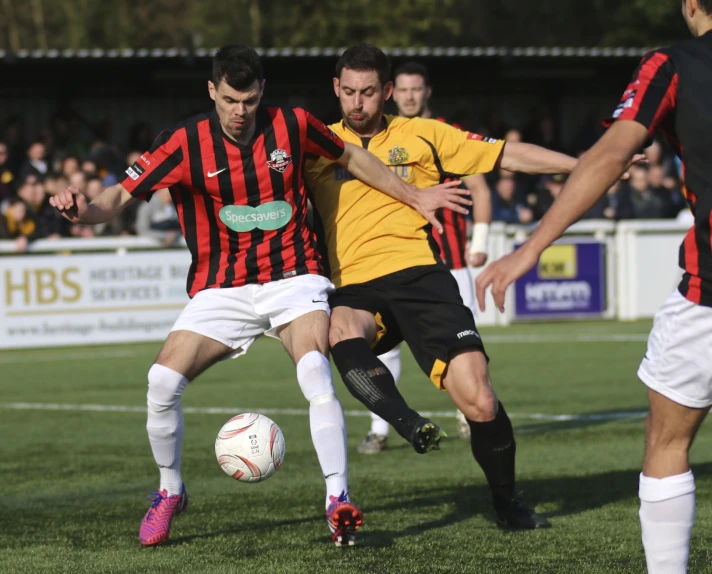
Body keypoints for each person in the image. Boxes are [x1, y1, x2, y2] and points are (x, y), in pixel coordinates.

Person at [50, 44, 467, 548]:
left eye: (248, 101)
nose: (239, 112)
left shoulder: (293, 124)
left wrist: (417, 195)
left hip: (295, 278)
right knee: (160, 381)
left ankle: (338, 499)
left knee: (315, 368)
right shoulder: (183, 142)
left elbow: (353, 155)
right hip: (222, 286)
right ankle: (170, 492)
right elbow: (120, 193)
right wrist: (82, 211)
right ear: (212, 91)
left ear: (261, 92)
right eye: (229, 100)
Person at [305, 43, 585, 529]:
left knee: (479, 398)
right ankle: (406, 422)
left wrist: (586, 167)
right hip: (353, 282)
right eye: (348, 91)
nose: (357, 103)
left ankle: (507, 505)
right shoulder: (315, 144)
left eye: (369, 92)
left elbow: (507, 155)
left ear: (387, 91)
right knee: (338, 332)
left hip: (421, 277)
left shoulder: (424, 135)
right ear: (335, 88)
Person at [476, 0, 711, 569]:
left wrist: (532, 246)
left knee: (668, 442)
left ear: (690, 5)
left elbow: (612, 152)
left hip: (710, 296)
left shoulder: (674, 63)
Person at [355, 61, 492, 454]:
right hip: (394, 262)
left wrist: (478, 239)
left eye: (417, 89)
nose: (410, 96)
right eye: (403, 89)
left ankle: (470, 411)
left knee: (464, 349)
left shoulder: (442, 135)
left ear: (427, 91)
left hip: (450, 262)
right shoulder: (383, 137)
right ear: (391, 92)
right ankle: (379, 430)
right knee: (384, 348)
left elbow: (480, 188)